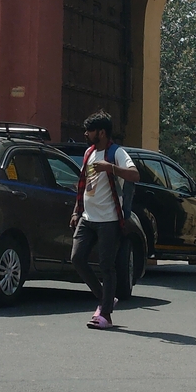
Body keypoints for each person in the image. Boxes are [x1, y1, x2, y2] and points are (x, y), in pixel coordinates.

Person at [70, 110, 137, 330]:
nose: (85, 134)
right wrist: (76, 212)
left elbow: (134, 175)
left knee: (106, 266)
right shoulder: (89, 153)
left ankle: (105, 314)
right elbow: (84, 184)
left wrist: (111, 168)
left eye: (89, 130)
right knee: (77, 258)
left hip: (109, 220)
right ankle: (105, 298)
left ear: (101, 132)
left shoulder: (117, 153)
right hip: (87, 217)